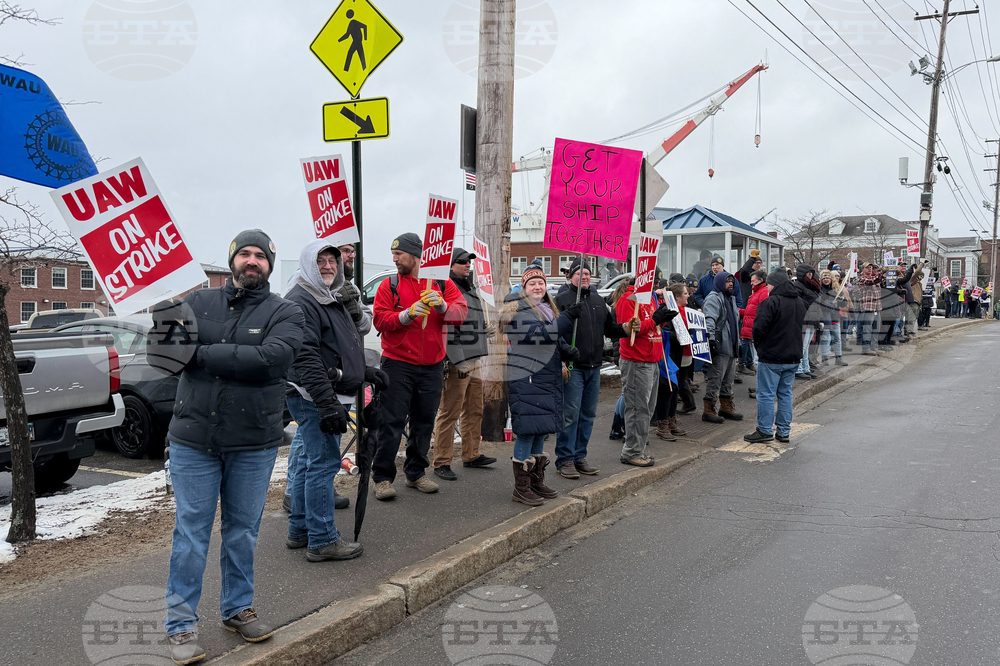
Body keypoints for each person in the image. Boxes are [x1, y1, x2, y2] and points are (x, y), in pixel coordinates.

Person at [149, 230, 304, 664]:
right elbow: (162, 354)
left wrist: (197, 353)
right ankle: (181, 626)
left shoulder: (285, 311)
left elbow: (273, 360)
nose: (251, 261)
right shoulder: (195, 303)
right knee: (191, 535)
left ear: (270, 265)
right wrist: (165, 317)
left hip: (253, 442)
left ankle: (237, 608)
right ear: (232, 260)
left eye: (260, 256)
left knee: (242, 532)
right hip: (193, 441)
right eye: (245, 254)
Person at [283, 240, 374, 562]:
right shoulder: (302, 299)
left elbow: (339, 345)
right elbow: (305, 357)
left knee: (311, 464)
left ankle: (300, 530)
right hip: (315, 396)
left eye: (332, 260)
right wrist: (326, 403)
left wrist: (364, 372)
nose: (328, 266)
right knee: (322, 466)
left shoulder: (330, 296)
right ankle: (322, 539)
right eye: (320, 260)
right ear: (308, 262)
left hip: (328, 393)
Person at [371, 233, 468, 500]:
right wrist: (406, 315)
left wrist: (443, 306)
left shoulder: (442, 282)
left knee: (424, 422)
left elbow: (461, 313)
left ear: (415, 256)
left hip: (433, 365)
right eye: (394, 254)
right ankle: (382, 477)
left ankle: (415, 473)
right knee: (391, 422)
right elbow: (379, 320)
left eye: (399, 254)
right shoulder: (389, 285)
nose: (395, 259)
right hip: (398, 364)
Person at [501, 266, 575, 505]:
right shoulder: (519, 310)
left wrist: (568, 351)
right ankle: (520, 488)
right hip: (528, 378)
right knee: (527, 431)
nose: (537, 287)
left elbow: (554, 339)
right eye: (532, 284)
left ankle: (535, 481)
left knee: (541, 429)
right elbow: (540, 335)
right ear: (524, 288)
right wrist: (567, 318)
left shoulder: (546, 310)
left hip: (546, 378)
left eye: (540, 283)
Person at [553, 259, 624, 478]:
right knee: (570, 415)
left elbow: (610, 329)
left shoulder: (597, 299)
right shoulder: (561, 300)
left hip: (594, 368)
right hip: (574, 367)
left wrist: (627, 328)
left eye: (587, 274)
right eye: (580, 273)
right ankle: (564, 458)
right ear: (570, 276)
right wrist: (564, 355)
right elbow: (552, 332)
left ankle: (579, 456)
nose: (585, 277)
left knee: (588, 415)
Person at [432, 248, 497, 481]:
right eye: (462, 262)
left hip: (475, 357)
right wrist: (458, 360)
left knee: (474, 408)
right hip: (459, 361)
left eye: (469, 262)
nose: (468, 265)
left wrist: (482, 332)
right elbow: (449, 328)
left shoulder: (470, 288)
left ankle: (471, 454)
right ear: (450, 266)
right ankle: (441, 461)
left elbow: (469, 323)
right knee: (450, 412)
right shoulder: (447, 289)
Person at [615, 277, 676, 466]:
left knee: (648, 408)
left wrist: (662, 320)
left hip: (652, 359)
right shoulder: (628, 300)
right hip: (636, 360)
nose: (657, 285)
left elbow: (652, 326)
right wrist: (655, 319)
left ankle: (638, 448)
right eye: (654, 281)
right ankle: (632, 451)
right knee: (637, 408)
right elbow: (631, 329)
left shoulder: (649, 298)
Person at [744, 269, 807, 443]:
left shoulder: (770, 302)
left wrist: (761, 347)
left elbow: (758, 329)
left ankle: (764, 430)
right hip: (793, 356)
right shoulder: (800, 303)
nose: (768, 287)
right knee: (785, 394)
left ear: (775, 284)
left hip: (771, 356)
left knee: (766, 394)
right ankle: (784, 431)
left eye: (769, 284)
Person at [701, 271, 743, 423]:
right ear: (719, 283)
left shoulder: (730, 298)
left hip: (730, 346)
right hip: (720, 345)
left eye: (732, 281)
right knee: (715, 378)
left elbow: (734, 323)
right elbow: (709, 320)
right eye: (727, 281)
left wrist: (738, 344)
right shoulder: (713, 298)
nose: (731, 284)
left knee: (728, 379)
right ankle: (708, 409)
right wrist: (711, 340)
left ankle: (725, 407)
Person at [653, 283, 690, 440]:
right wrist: (680, 336)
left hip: (680, 355)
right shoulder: (669, 311)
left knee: (675, 390)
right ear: (676, 297)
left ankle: (671, 420)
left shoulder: (683, 311)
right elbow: (665, 331)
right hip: (669, 356)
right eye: (685, 293)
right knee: (667, 390)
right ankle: (662, 425)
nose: (688, 295)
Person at [738, 270, 768, 399]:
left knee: (758, 362)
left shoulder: (763, 293)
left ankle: (761, 389)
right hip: (751, 331)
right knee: (757, 362)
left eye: (753, 281)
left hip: (755, 332)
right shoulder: (757, 292)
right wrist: (739, 311)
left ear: (760, 280)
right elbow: (751, 312)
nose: (751, 283)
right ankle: (759, 387)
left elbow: (763, 313)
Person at [794, 264, 822, 379]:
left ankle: (806, 368)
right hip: (804, 320)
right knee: (802, 346)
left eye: (811, 273)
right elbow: (798, 304)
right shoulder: (798, 286)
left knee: (806, 347)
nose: (810, 275)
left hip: (812, 320)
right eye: (808, 273)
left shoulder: (812, 287)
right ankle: (798, 369)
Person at [817, 269, 848, 367]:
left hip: (835, 317)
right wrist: (827, 303)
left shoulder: (836, 290)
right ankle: (824, 359)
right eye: (824, 278)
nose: (826, 280)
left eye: (828, 278)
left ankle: (839, 358)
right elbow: (819, 303)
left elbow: (844, 304)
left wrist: (842, 300)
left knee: (837, 339)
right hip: (824, 318)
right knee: (825, 339)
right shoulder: (819, 290)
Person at [855, 263, 884, 356]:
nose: (870, 269)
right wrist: (883, 272)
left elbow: (880, 280)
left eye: (871, 267)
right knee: (867, 328)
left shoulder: (874, 278)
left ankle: (874, 347)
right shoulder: (861, 278)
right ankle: (866, 348)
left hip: (877, 307)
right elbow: (871, 282)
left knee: (876, 328)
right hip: (868, 307)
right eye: (867, 267)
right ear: (862, 269)